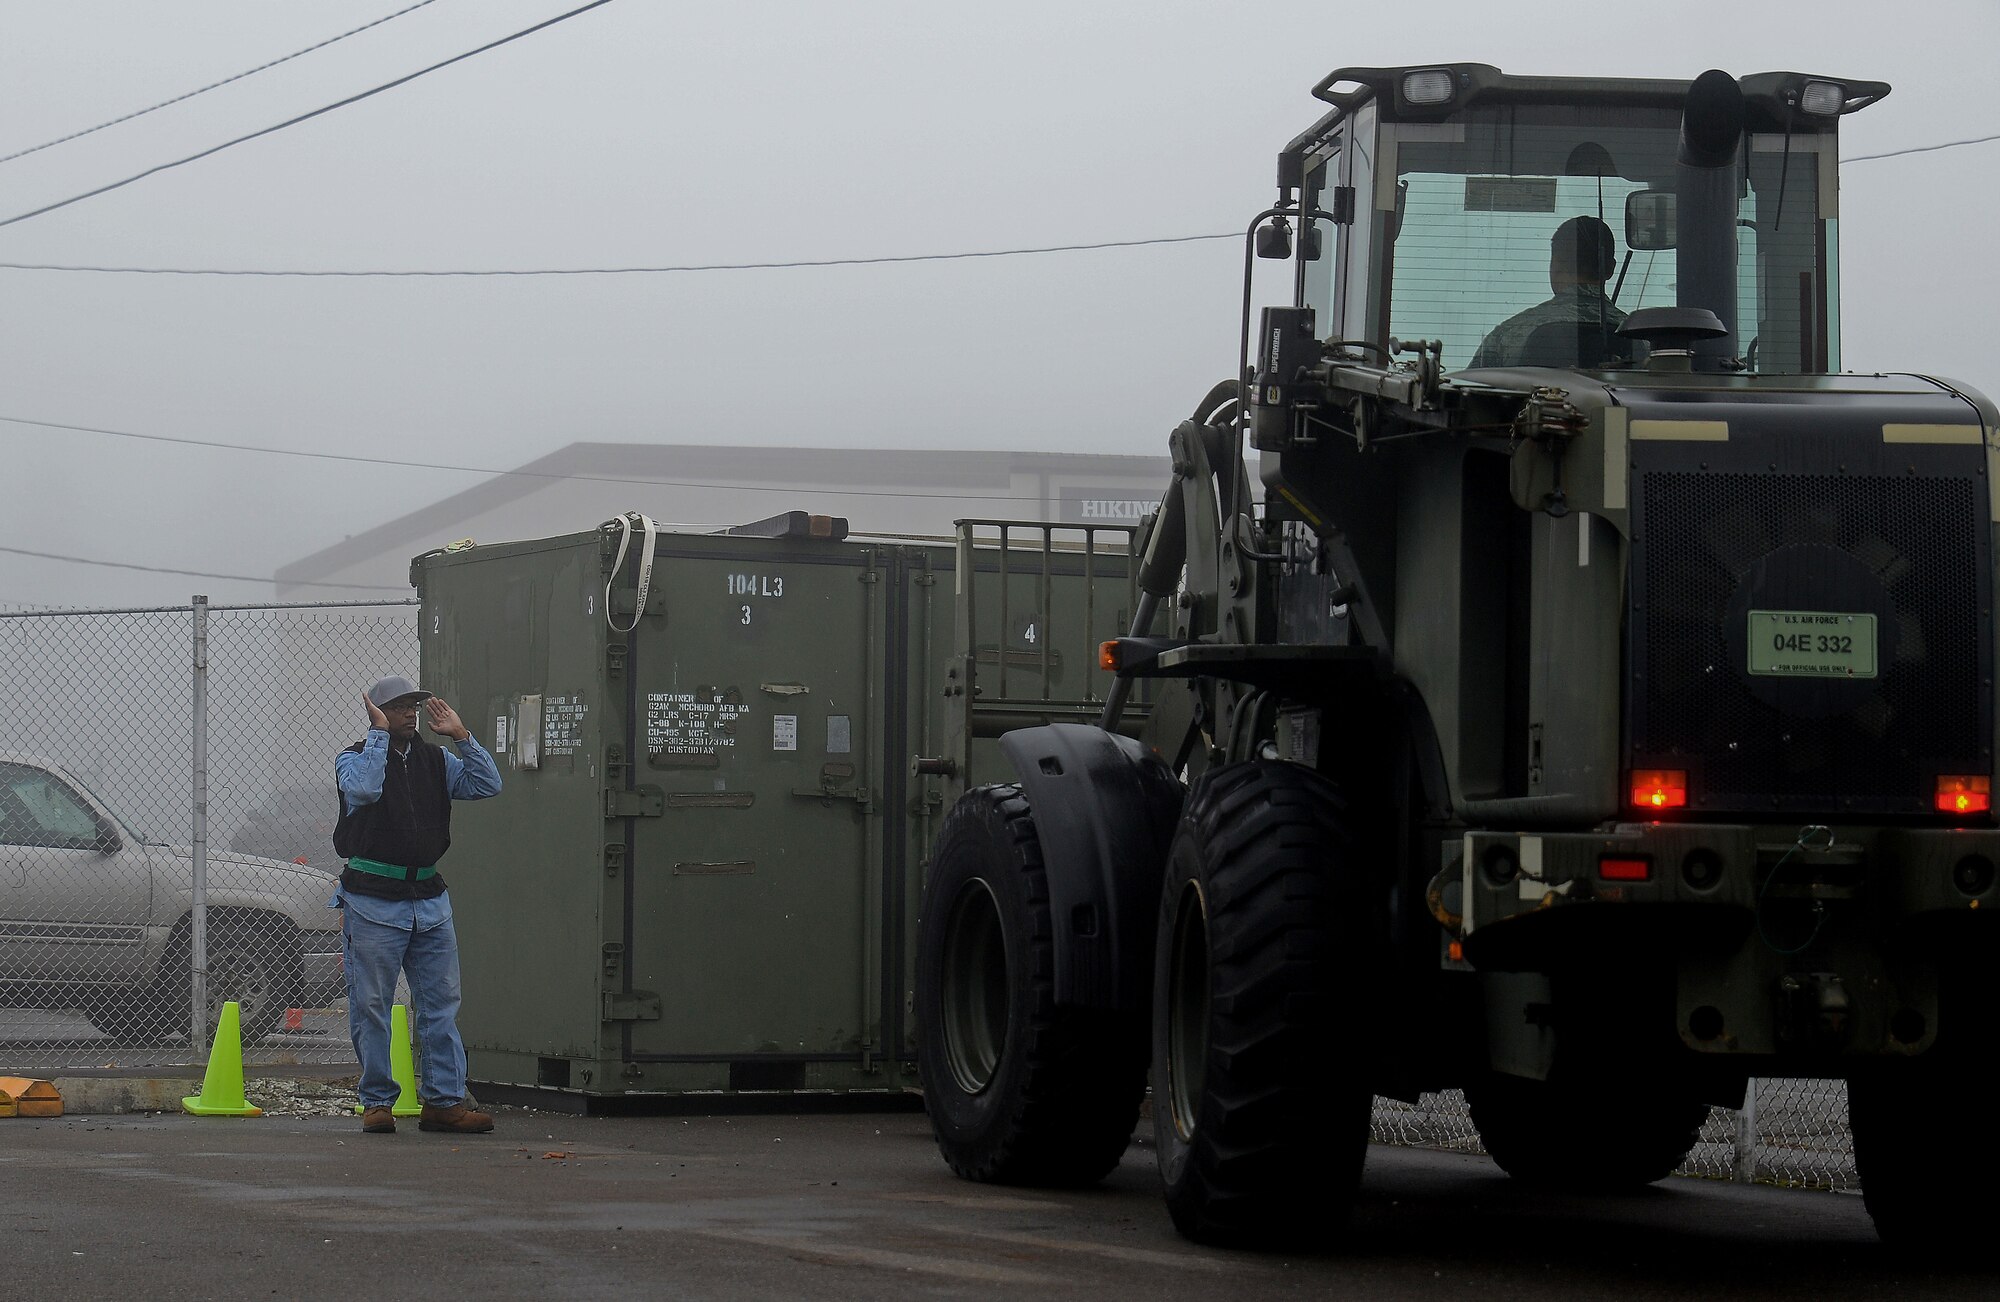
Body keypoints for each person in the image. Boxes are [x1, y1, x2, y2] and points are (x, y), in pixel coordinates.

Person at [334, 675, 502, 1135]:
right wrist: (377, 736)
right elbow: (365, 791)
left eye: (415, 706)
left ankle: (443, 1102)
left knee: (440, 1005)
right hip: (371, 901)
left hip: (428, 901)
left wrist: (463, 738)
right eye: (401, 706)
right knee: (371, 1003)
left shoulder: (436, 760)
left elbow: (488, 785)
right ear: (379, 713)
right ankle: (377, 1103)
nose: (412, 713)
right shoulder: (353, 758)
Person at [1469, 214, 1628, 369]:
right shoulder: (1642, 338)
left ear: (1556, 266)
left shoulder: (1509, 334)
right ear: (1610, 269)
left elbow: (1470, 388)